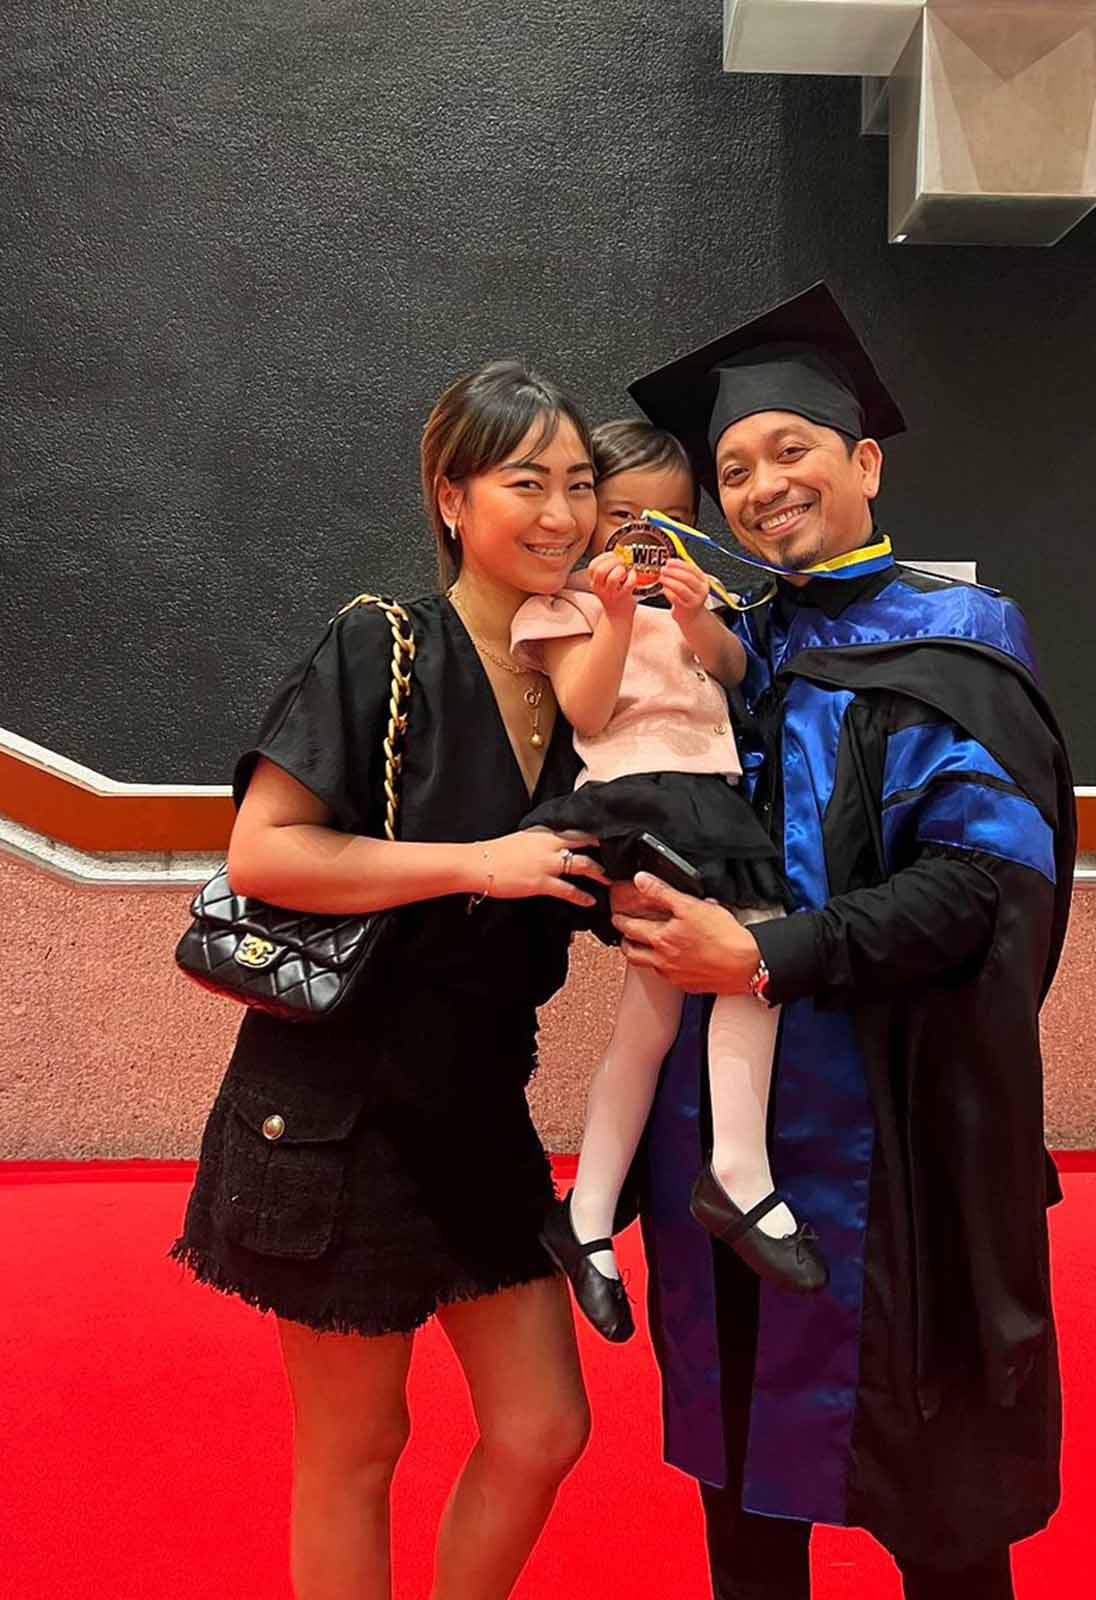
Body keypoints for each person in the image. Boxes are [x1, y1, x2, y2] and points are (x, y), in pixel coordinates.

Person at [609, 284, 1076, 1600]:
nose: (761, 486)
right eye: (733, 469)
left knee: (938, 1505)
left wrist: (766, 956)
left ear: (864, 461)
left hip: (899, 1135)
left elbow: (978, 889)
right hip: (722, 1142)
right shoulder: (721, 646)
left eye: (791, 450)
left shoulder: (958, 642)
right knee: (744, 1497)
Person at [171, 359, 611, 1600]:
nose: (562, 513)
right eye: (525, 481)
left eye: (579, 483)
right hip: (335, 1102)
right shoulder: (381, 641)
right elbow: (265, 851)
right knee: (356, 1446)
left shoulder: (583, 675)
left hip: (478, 1106)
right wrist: (478, 861)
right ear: (450, 498)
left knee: (542, 1427)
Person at [510, 420, 824, 1345]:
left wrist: (695, 618)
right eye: (624, 518)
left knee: (664, 1009)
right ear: (588, 520)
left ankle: (589, 1211)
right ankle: (736, 1172)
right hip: (637, 801)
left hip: (713, 805)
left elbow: (736, 674)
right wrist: (615, 615)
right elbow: (586, 709)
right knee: (747, 967)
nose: (647, 538)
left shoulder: (701, 596)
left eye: (672, 519)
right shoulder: (560, 606)